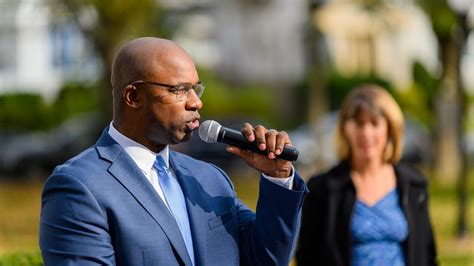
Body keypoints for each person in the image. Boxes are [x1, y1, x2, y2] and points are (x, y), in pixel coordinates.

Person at [39, 37, 307, 266]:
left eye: (196, 88)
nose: (196, 101)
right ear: (133, 97)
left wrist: (277, 177)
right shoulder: (79, 186)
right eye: (179, 90)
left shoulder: (209, 178)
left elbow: (267, 259)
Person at [296, 84, 437, 266]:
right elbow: (307, 258)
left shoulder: (414, 184)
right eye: (358, 123)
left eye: (374, 123)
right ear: (345, 128)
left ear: (390, 129)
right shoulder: (323, 188)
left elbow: (428, 255)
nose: (366, 133)